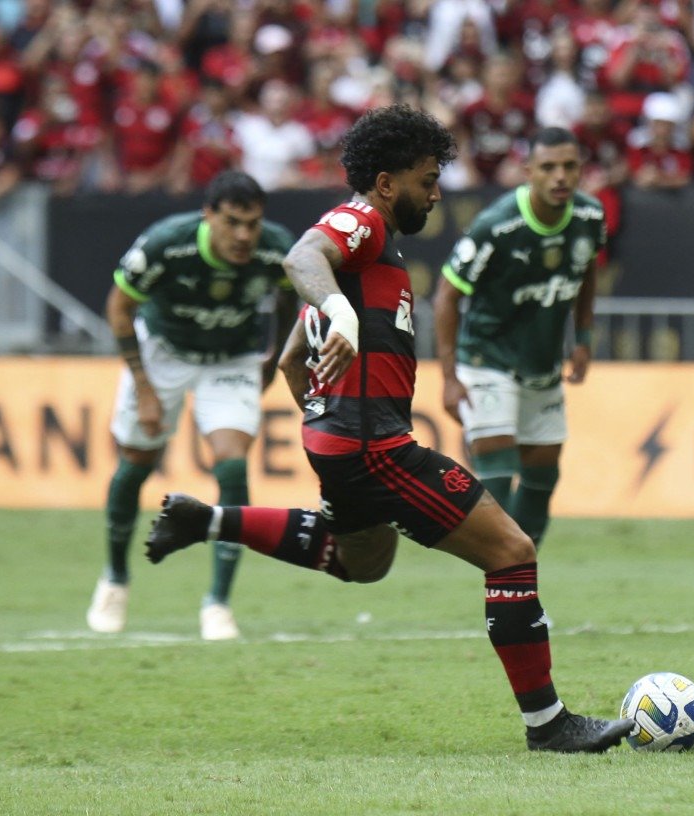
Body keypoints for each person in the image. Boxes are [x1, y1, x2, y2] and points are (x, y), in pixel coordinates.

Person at [143, 105, 632, 753]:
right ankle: (549, 724)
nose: (434, 193)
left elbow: (292, 358)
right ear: (384, 183)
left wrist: (323, 415)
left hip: (341, 440)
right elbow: (300, 256)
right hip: (373, 443)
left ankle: (206, 521)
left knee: (362, 561)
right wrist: (343, 322)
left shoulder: (368, 249)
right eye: (426, 180)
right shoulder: (360, 224)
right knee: (512, 552)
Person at [87, 170, 299, 640]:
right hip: (163, 353)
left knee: (231, 465)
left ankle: (218, 604)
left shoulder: (275, 248)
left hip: (232, 356)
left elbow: (289, 301)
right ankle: (115, 579)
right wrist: (143, 386)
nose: (244, 236)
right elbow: (119, 307)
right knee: (137, 461)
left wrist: (272, 356)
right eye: (233, 223)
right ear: (209, 216)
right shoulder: (167, 244)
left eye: (253, 224)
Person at [433, 126, 603, 549]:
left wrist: (581, 337)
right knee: (496, 461)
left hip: (541, 365)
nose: (560, 176)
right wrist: (450, 377)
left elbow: (586, 274)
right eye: (548, 167)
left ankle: (521, 576)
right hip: (487, 359)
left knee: (544, 470)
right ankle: (501, 576)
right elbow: (446, 295)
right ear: (529, 171)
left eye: (569, 166)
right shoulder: (498, 226)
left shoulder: (589, 217)